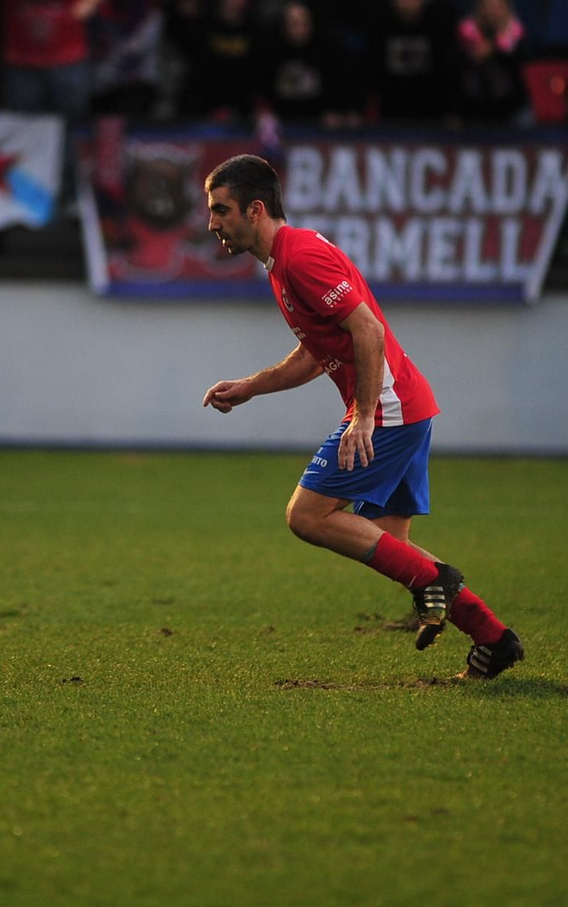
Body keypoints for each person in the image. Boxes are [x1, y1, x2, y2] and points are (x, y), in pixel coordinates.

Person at [199, 154, 525, 680]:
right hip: (407, 406)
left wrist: (365, 417)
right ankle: (493, 637)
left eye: (221, 210)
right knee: (392, 546)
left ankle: (437, 582)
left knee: (307, 516)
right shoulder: (286, 261)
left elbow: (368, 331)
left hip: (390, 411)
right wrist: (250, 388)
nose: (212, 223)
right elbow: (315, 352)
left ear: (255, 209)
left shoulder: (300, 256)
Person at [370, 0, 457, 124]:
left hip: (430, 108)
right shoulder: (382, 29)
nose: (407, 2)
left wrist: (450, 110)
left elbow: (446, 71)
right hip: (392, 108)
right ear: (394, 0)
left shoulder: (437, 29)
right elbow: (372, 69)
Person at [456, 0, 528, 123]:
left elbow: (518, 75)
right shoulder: (465, 34)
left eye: (497, 5)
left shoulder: (518, 36)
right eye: (487, 5)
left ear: (507, 9)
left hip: (511, 109)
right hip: (473, 109)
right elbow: (457, 72)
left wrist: (495, 49)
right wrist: (472, 55)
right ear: (479, 8)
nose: (492, 11)